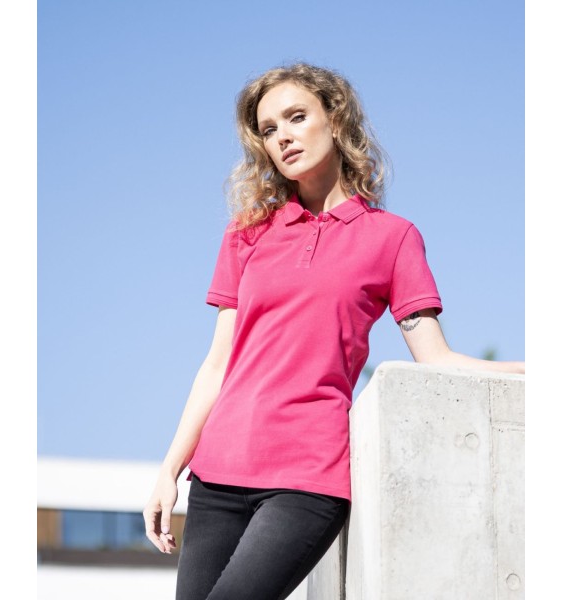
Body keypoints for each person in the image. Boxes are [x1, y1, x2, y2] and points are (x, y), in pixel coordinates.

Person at [143, 63, 524, 600]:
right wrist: (169, 470)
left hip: (305, 478)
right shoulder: (247, 233)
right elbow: (218, 362)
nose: (283, 136)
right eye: (269, 129)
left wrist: (530, 369)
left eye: (296, 117)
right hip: (216, 477)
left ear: (336, 117)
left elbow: (436, 359)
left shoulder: (392, 239)